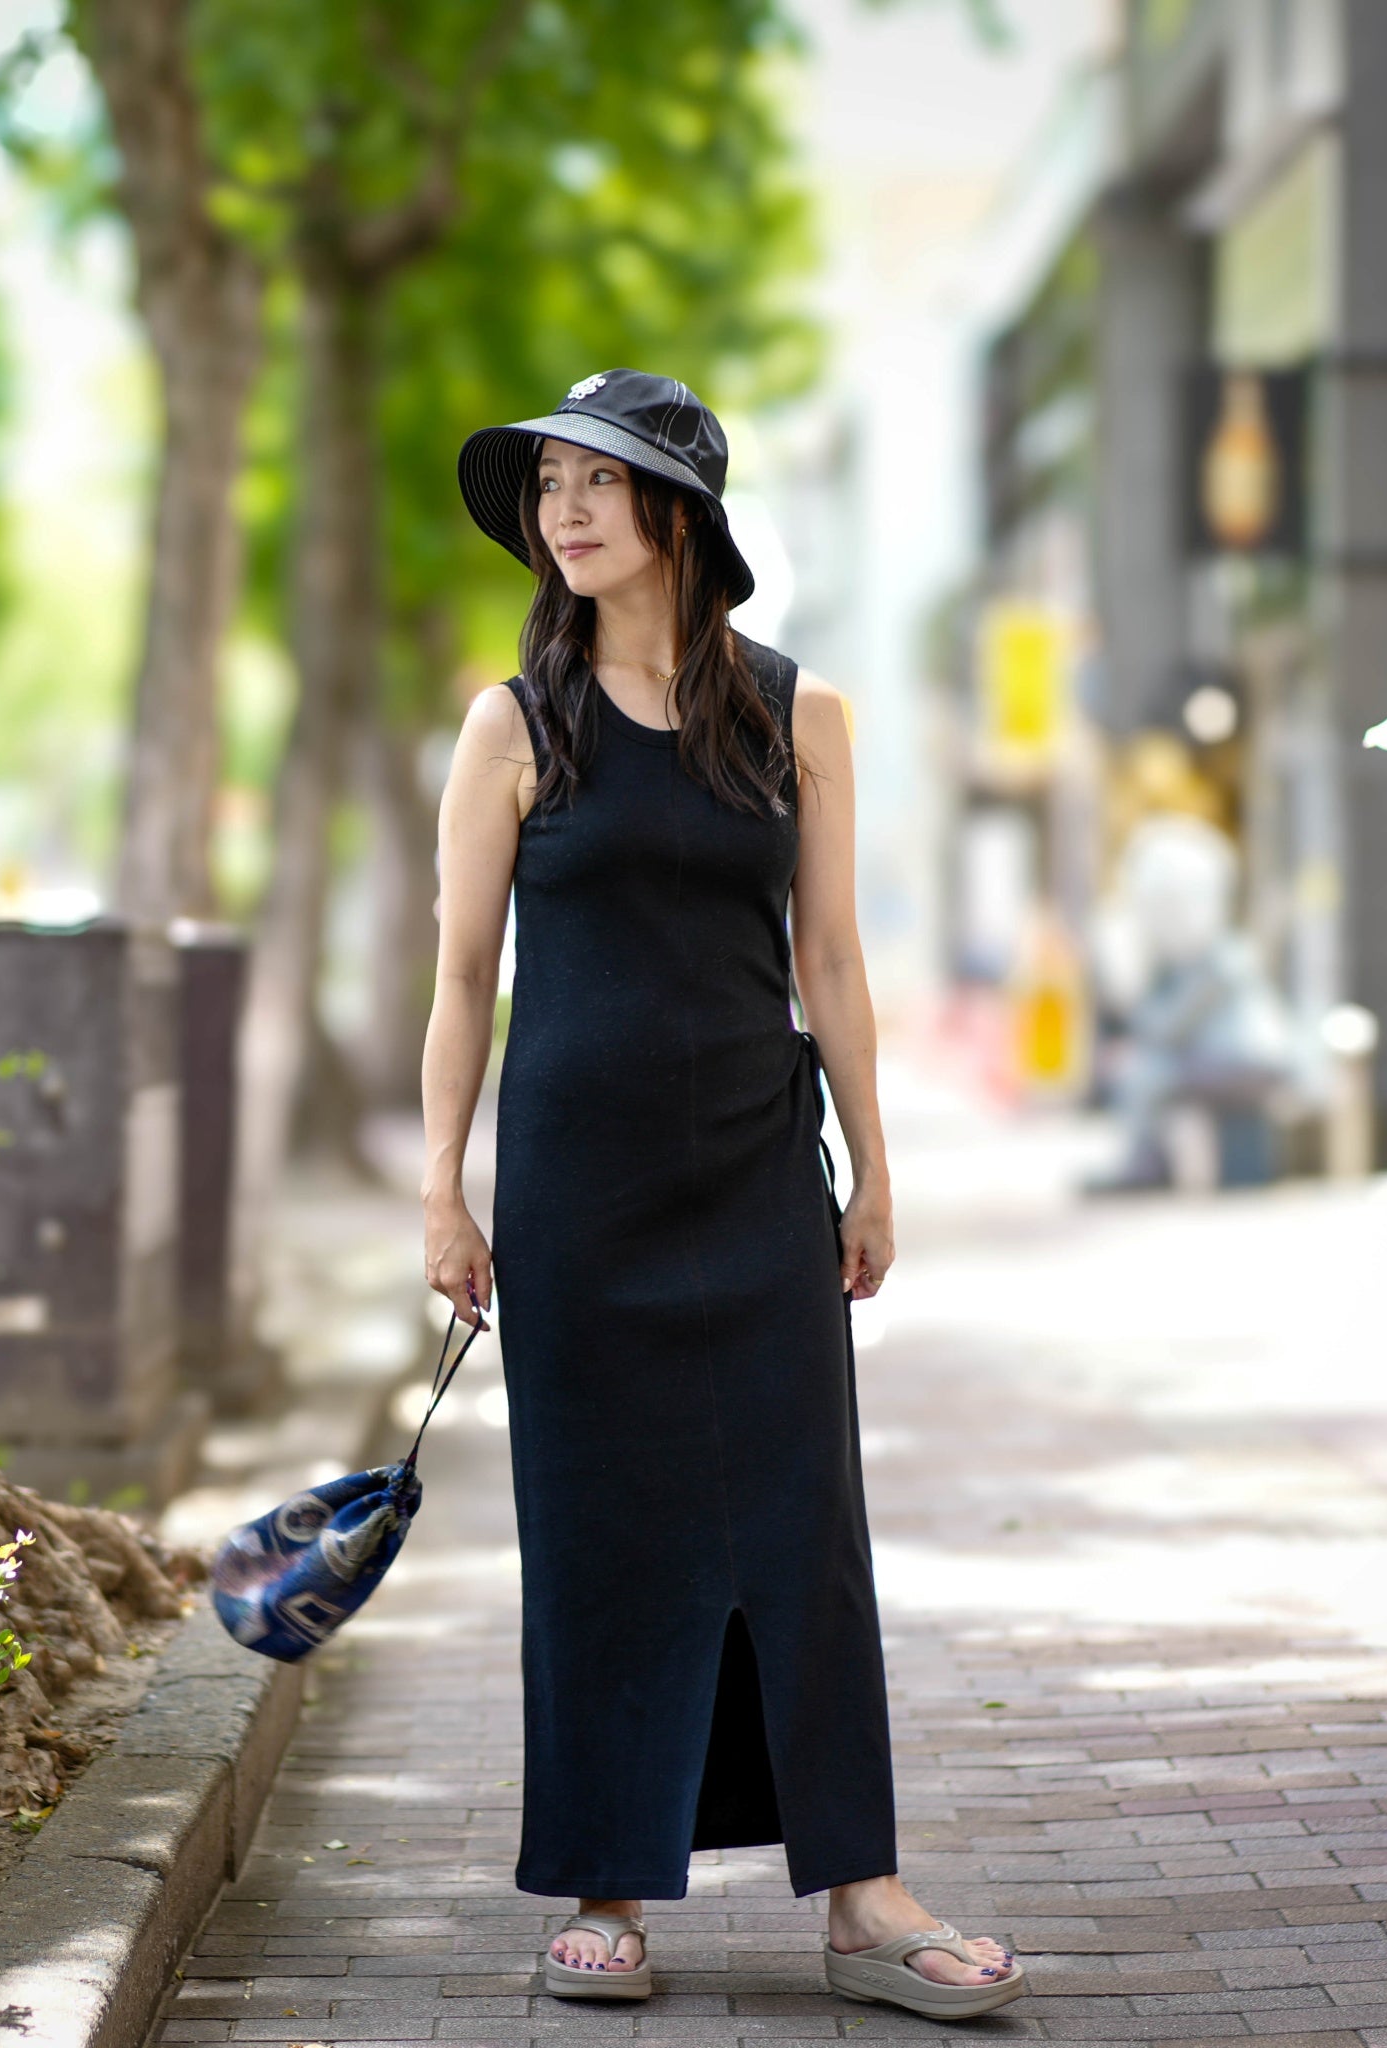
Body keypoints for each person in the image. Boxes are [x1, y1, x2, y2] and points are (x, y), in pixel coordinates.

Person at [417, 369, 1026, 2020]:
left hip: (759, 1173)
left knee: (798, 1523)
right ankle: (606, 1883)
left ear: (679, 511)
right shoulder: (511, 723)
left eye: (596, 480)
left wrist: (874, 1166)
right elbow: (464, 971)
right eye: (546, 483)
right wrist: (440, 1194)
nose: (563, 509)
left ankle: (858, 1891)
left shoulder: (793, 714)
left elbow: (828, 956)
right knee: (604, 1531)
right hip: (574, 1194)